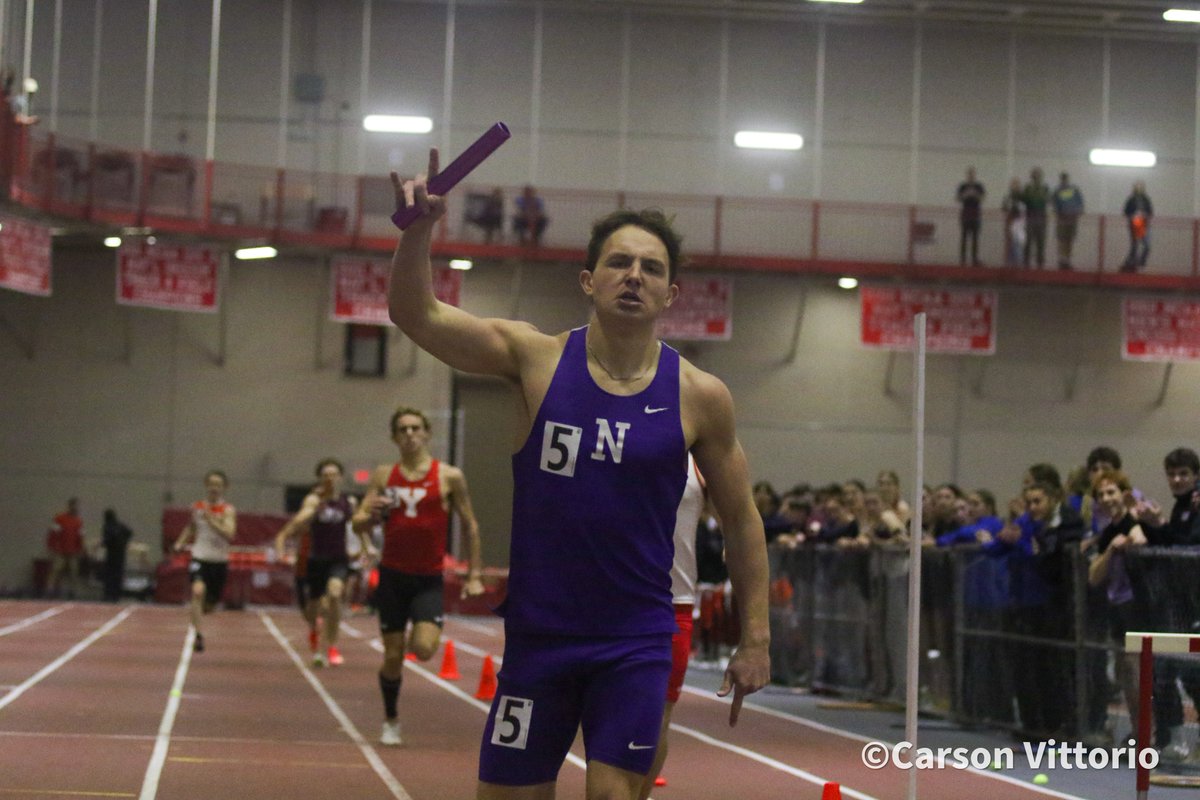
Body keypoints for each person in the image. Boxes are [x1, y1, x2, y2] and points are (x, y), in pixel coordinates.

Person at [387, 153, 770, 800]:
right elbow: (417, 317)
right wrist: (417, 233)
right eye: (620, 262)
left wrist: (756, 635)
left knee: (615, 793)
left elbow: (740, 520)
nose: (634, 276)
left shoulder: (700, 396)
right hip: (541, 637)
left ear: (671, 295)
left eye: (651, 268)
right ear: (588, 280)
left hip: (637, 641)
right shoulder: (534, 358)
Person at [351, 407, 484, 748]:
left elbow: (469, 525)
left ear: (426, 434)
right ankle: (391, 719)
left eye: (415, 428)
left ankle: (416, 630)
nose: (409, 434)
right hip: (393, 577)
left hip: (427, 578)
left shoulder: (449, 476)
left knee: (424, 649)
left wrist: (474, 575)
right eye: (402, 429)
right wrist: (372, 515)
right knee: (393, 657)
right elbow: (358, 522)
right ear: (395, 437)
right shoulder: (384, 475)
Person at [638, 453, 706, 800]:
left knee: (658, 717)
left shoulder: (703, 460)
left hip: (675, 604)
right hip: (623, 598)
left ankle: (641, 793)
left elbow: (740, 514)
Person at [276, 458, 369, 667]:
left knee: (335, 595)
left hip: (338, 558)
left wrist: (365, 547)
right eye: (325, 475)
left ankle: (332, 645)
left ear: (341, 478)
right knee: (312, 609)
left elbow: (358, 526)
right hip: (315, 560)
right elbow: (297, 523)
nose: (330, 479)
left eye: (334, 475)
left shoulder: (349, 502)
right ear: (319, 478)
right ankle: (314, 629)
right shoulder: (313, 501)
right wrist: (283, 540)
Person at [1087, 469, 1148, 744]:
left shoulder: (1132, 522)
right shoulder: (1109, 532)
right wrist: (1111, 549)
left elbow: (1140, 538)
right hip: (1116, 606)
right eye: (1100, 494)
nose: (1106, 498)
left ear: (1123, 494)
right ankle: (1138, 733)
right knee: (1124, 673)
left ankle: (1149, 735)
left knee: (1138, 673)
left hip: (1138, 605)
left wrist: (1132, 537)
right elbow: (1094, 575)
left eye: (1111, 492)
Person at [171, 470, 237, 653]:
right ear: (206, 485)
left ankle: (198, 614)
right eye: (211, 484)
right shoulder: (197, 507)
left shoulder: (228, 510)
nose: (214, 488)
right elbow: (191, 528)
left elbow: (229, 534)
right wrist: (180, 542)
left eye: (218, 485)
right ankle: (198, 636)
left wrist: (211, 520)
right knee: (197, 591)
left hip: (219, 561)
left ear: (224, 488)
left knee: (208, 606)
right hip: (199, 556)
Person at [47, 497, 85, 598]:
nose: (75, 508)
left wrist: (81, 549)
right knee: (56, 570)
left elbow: (80, 537)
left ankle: (72, 592)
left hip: (73, 551)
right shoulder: (60, 519)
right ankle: (49, 590)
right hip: (61, 550)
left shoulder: (78, 521)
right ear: (69, 506)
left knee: (74, 571)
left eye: (77, 506)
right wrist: (53, 546)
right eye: (73, 505)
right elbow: (53, 533)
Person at [1052, 171, 1084, 270]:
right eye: (1063, 179)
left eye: (1065, 179)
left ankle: (1067, 260)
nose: (1064, 181)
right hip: (1062, 219)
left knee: (1069, 240)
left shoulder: (1074, 190)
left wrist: (1078, 212)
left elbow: (1080, 203)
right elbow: (1055, 204)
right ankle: (1062, 260)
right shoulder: (1058, 191)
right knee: (1062, 240)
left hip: (1071, 219)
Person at [100, 508, 133, 602]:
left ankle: (109, 594)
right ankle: (117, 594)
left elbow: (107, 539)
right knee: (118, 574)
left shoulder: (107, 526)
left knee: (109, 574)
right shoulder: (120, 525)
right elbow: (129, 532)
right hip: (120, 554)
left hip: (111, 554)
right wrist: (124, 542)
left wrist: (104, 543)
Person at [1022, 167, 1052, 268]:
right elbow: (1026, 199)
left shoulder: (1045, 188)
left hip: (1041, 217)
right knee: (1028, 241)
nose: (1036, 177)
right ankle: (1026, 263)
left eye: (1038, 175)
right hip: (1030, 217)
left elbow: (1048, 200)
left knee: (1041, 242)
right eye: (1035, 175)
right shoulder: (1028, 188)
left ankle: (1040, 264)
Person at [956, 166, 985, 266]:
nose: (971, 176)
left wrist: (975, 194)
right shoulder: (963, 186)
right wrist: (966, 194)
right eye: (969, 174)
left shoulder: (979, 186)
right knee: (964, 237)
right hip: (966, 214)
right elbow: (958, 198)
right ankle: (963, 259)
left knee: (975, 238)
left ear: (974, 175)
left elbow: (982, 198)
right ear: (967, 175)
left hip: (976, 214)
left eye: (972, 174)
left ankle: (974, 259)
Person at [1121, 181, 1153, 272]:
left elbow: (1150, 211)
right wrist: (1133, 216)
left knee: (1146, 245)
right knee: (1135, 244)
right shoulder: (1131, 199)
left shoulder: (1146, 199)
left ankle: (1139, 262)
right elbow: (1126, 211)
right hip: (1135, 222)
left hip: (1144, 223)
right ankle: (1132, 262)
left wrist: (1144, 215)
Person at [1001, 178, 1026, 267]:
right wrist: (1008, 206)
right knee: (1009, 241)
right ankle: (1008, 262)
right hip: (1010, 220)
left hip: (1019, 222)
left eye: (1017, 185)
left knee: (1018, 242)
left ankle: (1018, 263)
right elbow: (1004, 208)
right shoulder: (1008, 197)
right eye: (1013, 185)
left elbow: (1024, 209)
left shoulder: (1023, 197)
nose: (1015, 187)